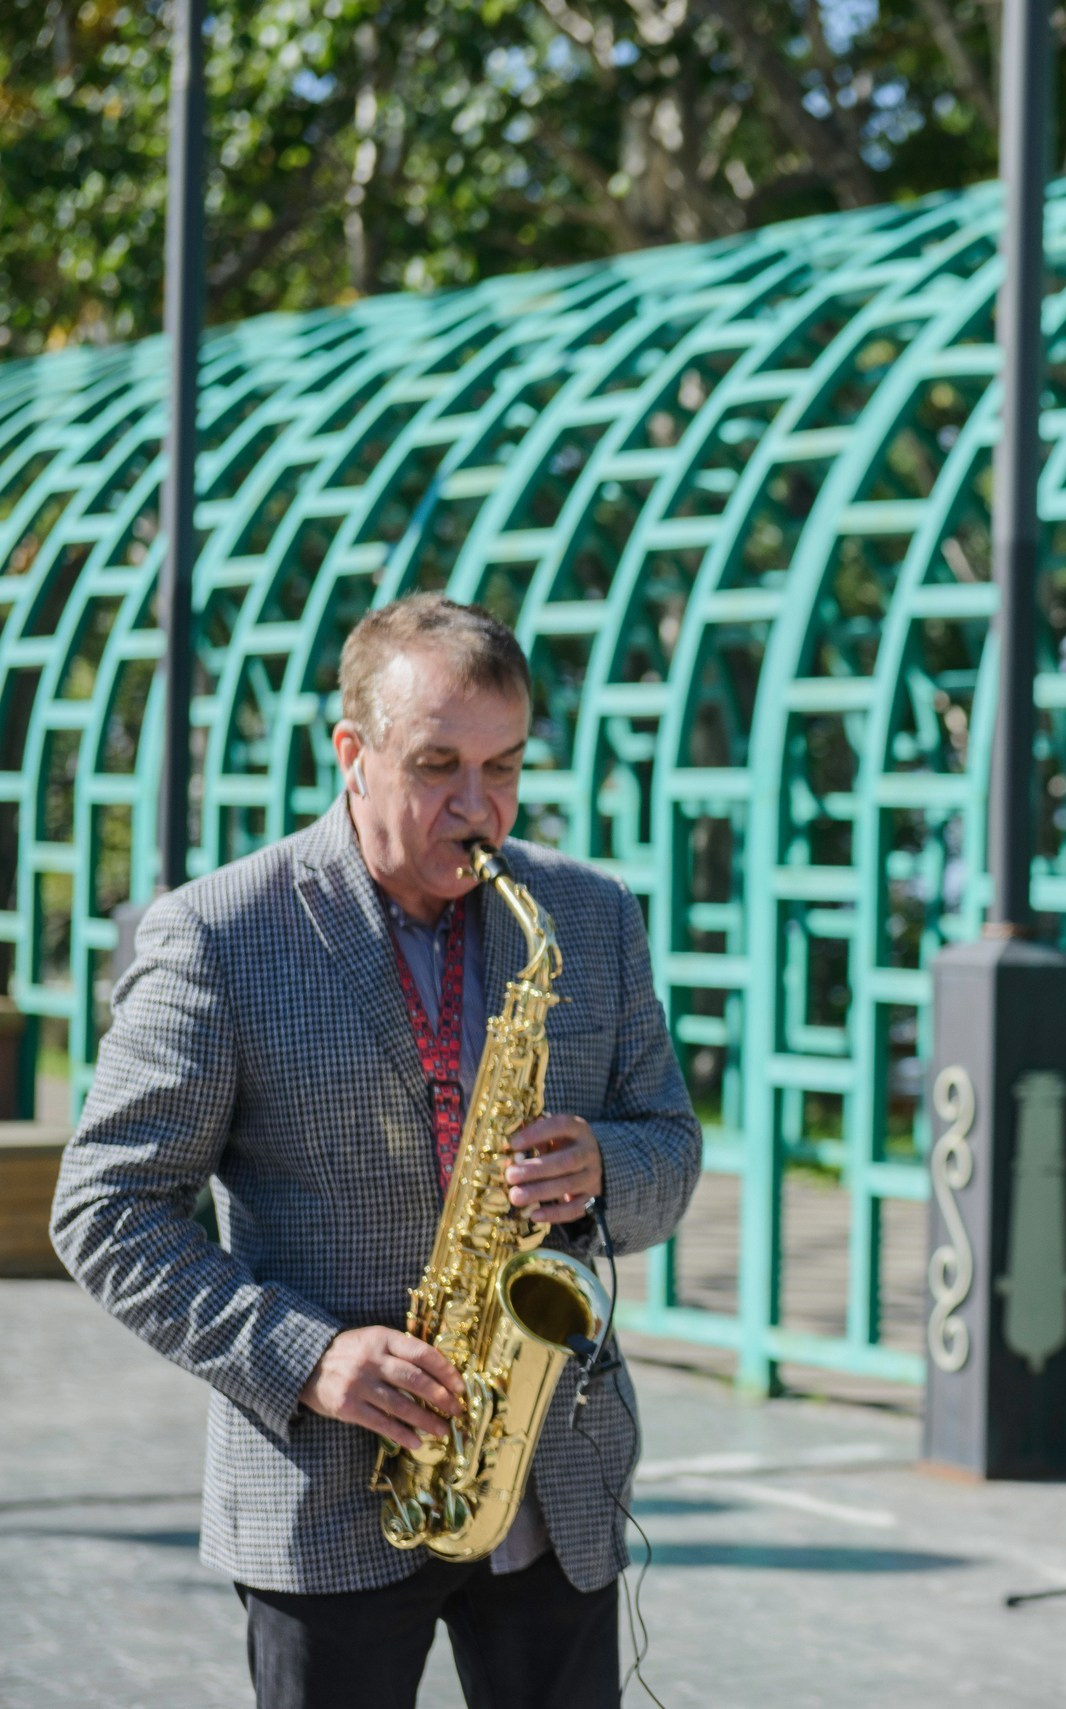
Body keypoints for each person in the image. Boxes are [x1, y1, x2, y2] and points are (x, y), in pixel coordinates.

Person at [51, 595, 703, 1709]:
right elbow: (104, 1209)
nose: (478, 807)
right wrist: (305, 1357)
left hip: (553, 1478)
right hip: (328, 1489)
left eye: (503, 767)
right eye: (438, 764)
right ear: (351, 752)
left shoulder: (589, 915)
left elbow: (671, 1144)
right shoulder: (220, 933)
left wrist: (606, 1166)